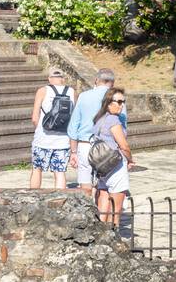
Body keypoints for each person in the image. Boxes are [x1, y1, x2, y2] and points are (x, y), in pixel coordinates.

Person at [68, 68, 122, 200]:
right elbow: (122, 125)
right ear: (112, 83)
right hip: (108, 146)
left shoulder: (84, 96)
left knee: (85, 183)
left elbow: (73, 125)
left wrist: (73, 151)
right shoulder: (117, 98)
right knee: (104, 185)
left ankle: (87, 210)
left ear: (96, 80)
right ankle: (102, 214)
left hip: (85, 144)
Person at [91, 87, 134, 227]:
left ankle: (100, 233)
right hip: (115, 164)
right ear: (109, 103)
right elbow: (124, 146)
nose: (122, 105)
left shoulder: (99, 119)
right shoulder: (114, 121)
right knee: (117, 204)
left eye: (124, 102)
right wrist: (130, 159)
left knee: (103, 196)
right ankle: (114, 233)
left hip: (102, 166)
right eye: (119, 102)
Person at [29, 68, 75, 190]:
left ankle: (33, 197)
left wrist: (40, 128)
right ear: (63, 79)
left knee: (37, 169)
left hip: (42, 139)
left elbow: (35, 117)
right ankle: (60, 201)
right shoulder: (72, 92)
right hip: (63, 141)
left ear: (49, 79)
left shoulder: (43, 91)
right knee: (60, 172)